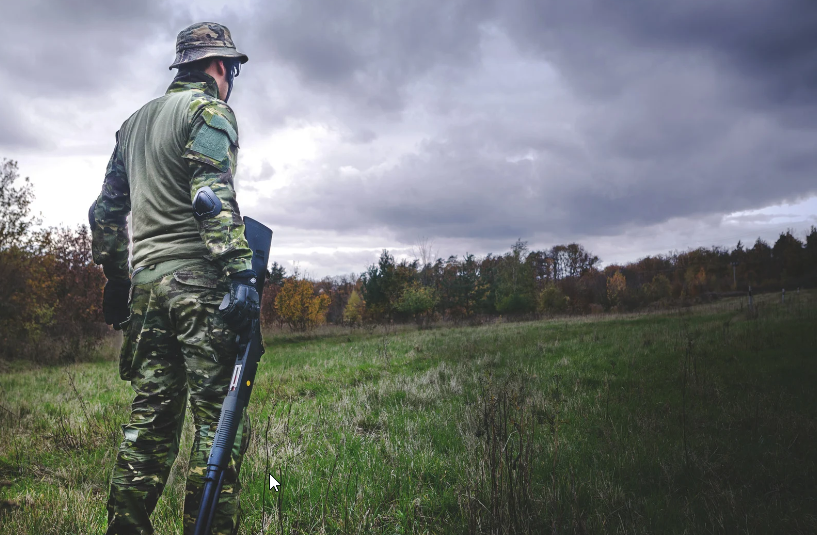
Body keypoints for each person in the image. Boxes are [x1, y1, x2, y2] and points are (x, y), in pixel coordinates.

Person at [89, 22, 259, 535]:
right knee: (219, 420)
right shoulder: (209, 111)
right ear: (218, 66)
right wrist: (240, 273)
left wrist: (118, 280)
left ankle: (126, 526)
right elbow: (210, 195)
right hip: (200, 288)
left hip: (147, 289)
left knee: (152, 419)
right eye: (230, 70)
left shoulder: (134, 124)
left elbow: (105, 213)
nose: (230, 79)